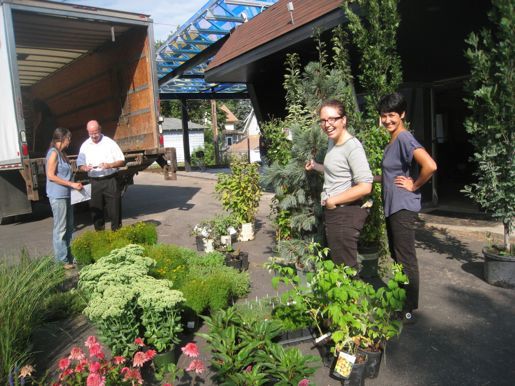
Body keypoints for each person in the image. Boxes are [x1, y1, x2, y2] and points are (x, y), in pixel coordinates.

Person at [377, 92, 437, 323]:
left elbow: (430, 165)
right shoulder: (393, 139)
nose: (387, 120)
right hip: (393, 205)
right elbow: (392, 174)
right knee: (397, 254)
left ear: (402, 114)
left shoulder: (404, 137)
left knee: (405, 258)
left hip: (402, 206)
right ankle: (401, 300)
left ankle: (408, 308)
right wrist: (368, 179)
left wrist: (415, 184)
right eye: (384, 116)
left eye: (392, 115)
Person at [305, 99, 373, 269]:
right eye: (323, 120)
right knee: (340, 265)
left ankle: (352, 297)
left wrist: (332, 201)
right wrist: (316, 166)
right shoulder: (333, 141)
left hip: (345, 212)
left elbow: (365, 186)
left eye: (332, 119)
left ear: (344, 120)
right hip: (337, 211)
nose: (327, 124)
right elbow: (336, 171)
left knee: (345, 269)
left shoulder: (352, 147)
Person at [77, 120, 125, 231]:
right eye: (91, 133)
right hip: (94, 181)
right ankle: (100, 235)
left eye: (95, 132)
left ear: (100, 129)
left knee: (115, 208)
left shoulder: (109, 143)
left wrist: (110, 165)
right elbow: (80, 164)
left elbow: (122, 161)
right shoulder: (85, 145)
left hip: (110, 179)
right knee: (96, 210)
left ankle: (117, 233)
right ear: (87, 132)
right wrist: (85, 167)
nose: (93, 135)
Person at [46, 128, 83, 268]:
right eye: (69, 138)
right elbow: (51, 175)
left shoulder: (62, 154)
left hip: (67, 194)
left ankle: (69, 256)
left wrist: (74, 184)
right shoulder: (53, 154)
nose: (70, 141)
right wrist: (71, 184)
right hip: (58, 195)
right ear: (61, 139)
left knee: (69, 226)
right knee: (60, 228)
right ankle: (61, 261)